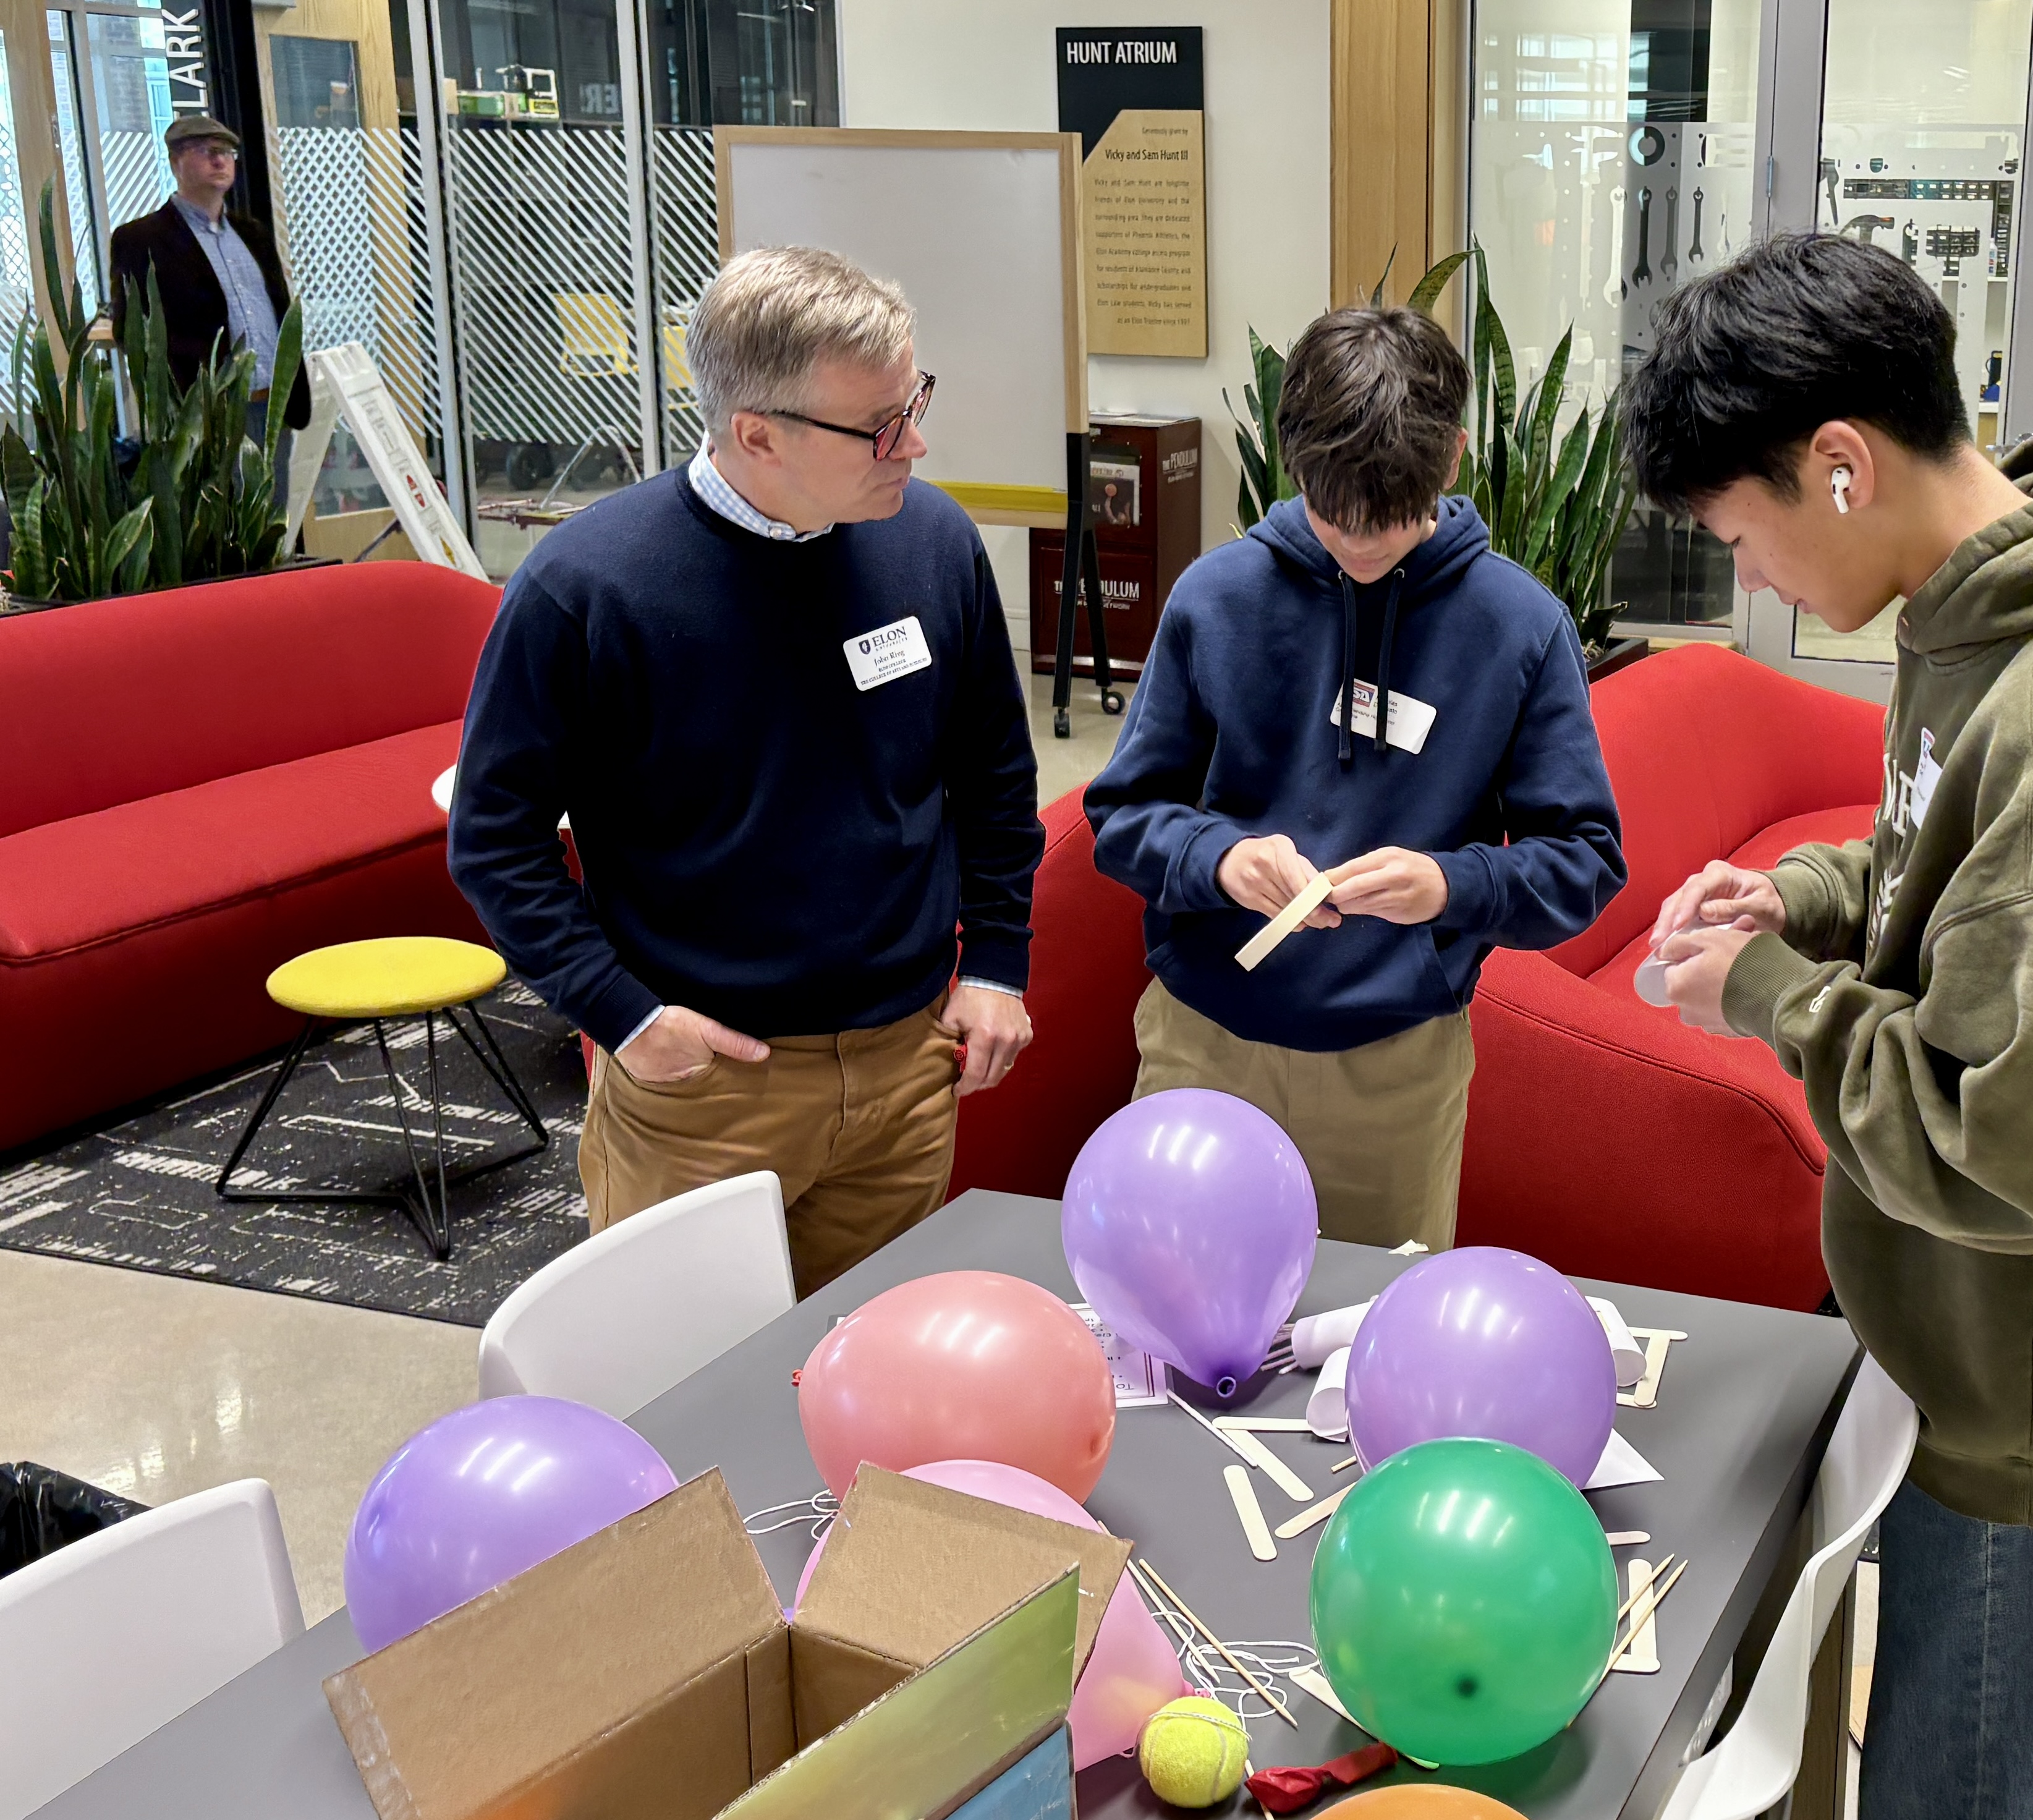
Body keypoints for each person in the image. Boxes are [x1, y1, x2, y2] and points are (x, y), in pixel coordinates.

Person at [1623, 232, 2033, 1820]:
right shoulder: (1982, 612)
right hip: (1990, 1335)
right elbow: (1951, 874)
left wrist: (1776, 994)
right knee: (1963, 1762)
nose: (1752, 576)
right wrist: (1817, 894)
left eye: (1742, 531)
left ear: (1838, 464)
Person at [449, 246, 1042, 1298]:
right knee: (687, 1407)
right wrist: (625, 1015)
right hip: (709, 1085)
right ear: (754, 433)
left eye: (916, 400)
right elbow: (496, 842)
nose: (915, 442)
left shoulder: (934, 541)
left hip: (908, 1063)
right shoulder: (586, 588)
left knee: (867, 1393)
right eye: (878, 425)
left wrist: (995, 961)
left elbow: (992, 771)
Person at [1084, 304, 1625, 1252]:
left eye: (1391, 520)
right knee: (1167, 1313)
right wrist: (1220, 860)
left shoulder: (1519, 626)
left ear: (1451, 459)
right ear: (1294, 464)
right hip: (1203, 1040)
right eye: (1336, 518)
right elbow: (1123, 817)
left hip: (1395, 1061)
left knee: (1372, 1343)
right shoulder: (1216, 598)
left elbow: (1583, 863)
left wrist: (1449, 887)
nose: (1362, 547)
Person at [108, 115, 309, 490]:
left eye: (228, 152)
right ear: (176, 162)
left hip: (272, 407)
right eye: (208, 151)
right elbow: (130, 335)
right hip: (207, 417)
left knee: (270, 527)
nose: (221, 161)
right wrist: (182, 405)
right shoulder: (141, 239)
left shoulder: (253, 234)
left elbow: (278, 313)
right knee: (221, 537)